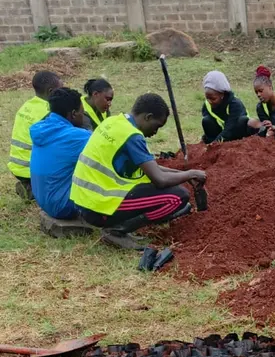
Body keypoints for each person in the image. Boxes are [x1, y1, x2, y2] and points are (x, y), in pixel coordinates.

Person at [71, 93, 206, 249]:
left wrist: (182, 174)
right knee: (177, 197)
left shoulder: (114, 122)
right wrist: (191, 174)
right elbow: (159, 180)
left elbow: (150, 167)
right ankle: (117, 230)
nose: (155, 132)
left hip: (85, 202)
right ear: (148, 117)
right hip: (98, 208)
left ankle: (117, 225)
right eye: (157, 126)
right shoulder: (132, 136)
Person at [30, 88, 90, 221]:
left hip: (42, 200)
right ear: (73, 114)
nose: (84, 115)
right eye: (82, 112)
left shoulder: (42, 128)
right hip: (64, 207)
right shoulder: (78, 136)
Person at [8, 70, 62, 201]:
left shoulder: (27, 105)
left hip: (17, 167)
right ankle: (33, 191)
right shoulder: (48, 112)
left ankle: (30, 186)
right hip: (31, 169)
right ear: (51, 91)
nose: (63, 93)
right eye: (60, 90)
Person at [201, 70, 251, 143]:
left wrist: (216, 142)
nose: (210, 101)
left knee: (242, 121)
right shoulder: (206, 105)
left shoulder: (235, 104)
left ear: (222, 95)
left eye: (213, 99)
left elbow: (231, 127)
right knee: (206, 121)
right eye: (207, 98)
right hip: (221, 132)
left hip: (236, 132)